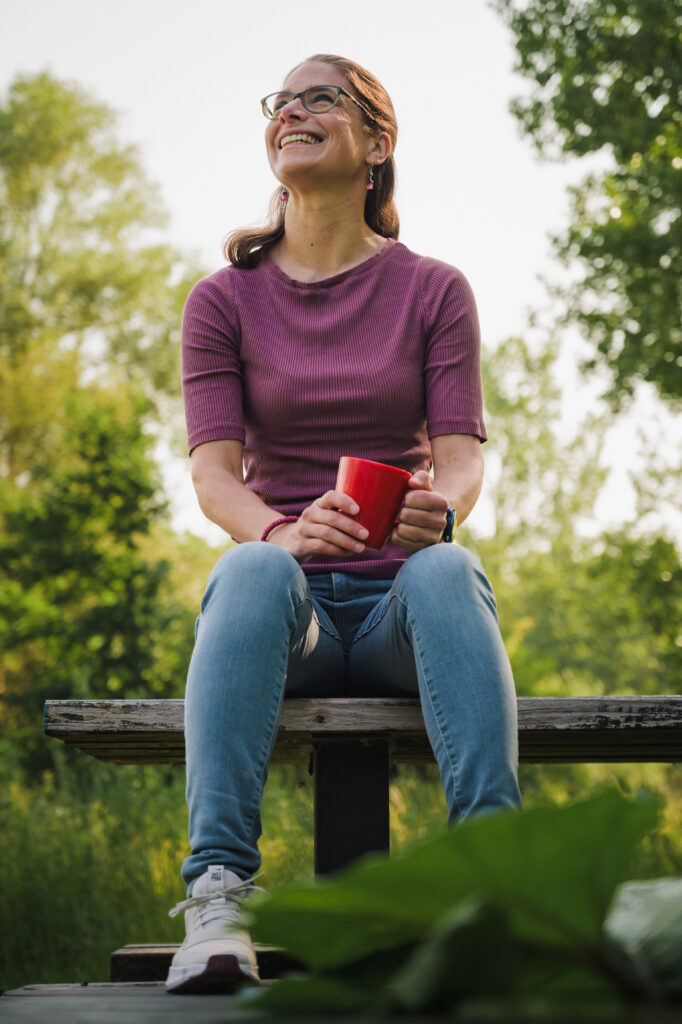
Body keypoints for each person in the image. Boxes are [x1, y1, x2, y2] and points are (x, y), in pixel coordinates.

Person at [165, 53, 521, 995]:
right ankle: (218, 898)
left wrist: (443, 507)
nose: (292, 111)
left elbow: (461, 457)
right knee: (249, 568)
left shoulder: (433, 290)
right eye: (280, 101)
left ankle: (496, 896)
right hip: (296, 624)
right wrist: (279, 535)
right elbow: (214, 477)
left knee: (450, 568)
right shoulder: (223, 301)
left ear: (376, 142)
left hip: (404, 611)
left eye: (319, 97)